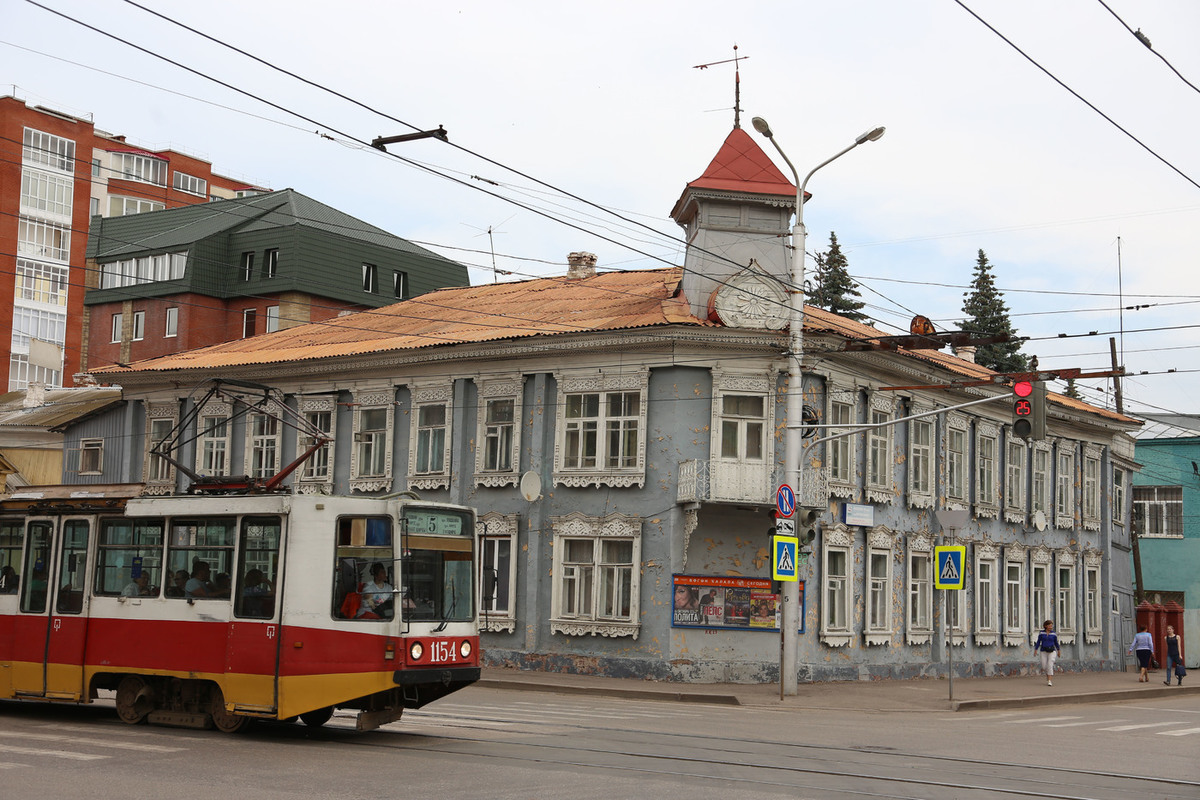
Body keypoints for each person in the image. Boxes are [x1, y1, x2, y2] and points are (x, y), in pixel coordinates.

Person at [1033, 619, 1061, 686]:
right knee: (1044, 666)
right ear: (1045, 626)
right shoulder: (1042, 633)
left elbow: (1056, 643)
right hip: (1043, 651)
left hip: (1052, 651)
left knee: (1050, 664)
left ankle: (1049, 680)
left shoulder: (1053, 634)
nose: (1051, 627)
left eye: (1051, 626)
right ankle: (1048, 675)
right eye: (1049, 626)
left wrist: (1058, 650)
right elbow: (1038, 641)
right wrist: (1036, 649)